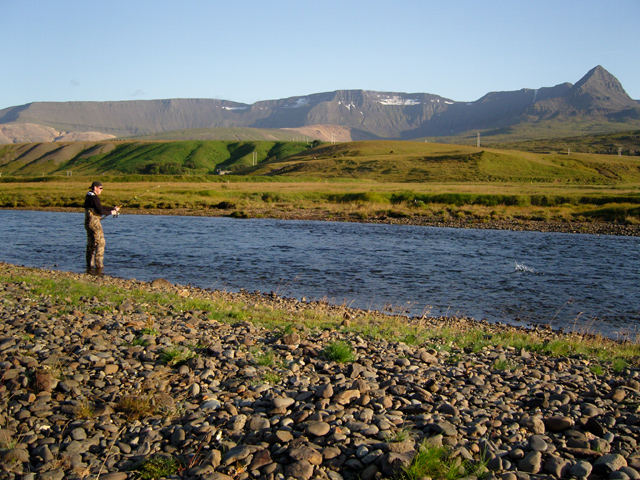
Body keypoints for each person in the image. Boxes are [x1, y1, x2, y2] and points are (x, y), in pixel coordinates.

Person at [84, 181, 119, 271]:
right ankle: (99, 266)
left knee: (91, 244)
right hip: (94, 224)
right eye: (100, 188)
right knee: (101, 243)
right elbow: (100, 210)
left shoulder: (89, 196)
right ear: (95, 188)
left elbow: (99, 207)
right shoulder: (93, 197)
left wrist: (112, 208)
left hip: (88, 223)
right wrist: (112, 212)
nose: (101, 190)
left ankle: (89, 266)